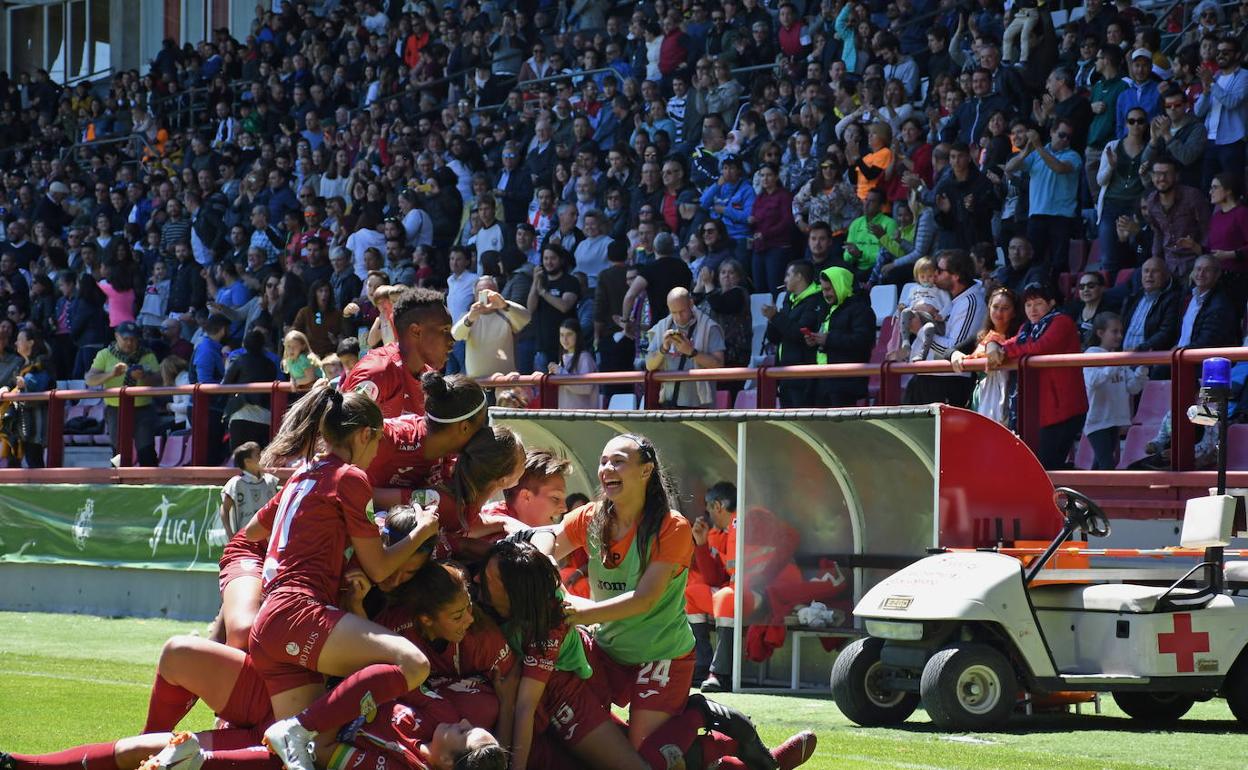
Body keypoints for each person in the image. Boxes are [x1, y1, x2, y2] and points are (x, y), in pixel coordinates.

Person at [241, 381, 441, 770]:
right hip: (300, 612)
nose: (377, 451)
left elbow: (252, 531)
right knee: (414, 665)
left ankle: (193, 758)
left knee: (306, 757)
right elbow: (380, 568)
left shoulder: (302, 474)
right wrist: (422, 531)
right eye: (378, 440)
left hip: (270, 621)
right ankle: (297, 727)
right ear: (365, 434)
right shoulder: (349, 477)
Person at [986, 282, 1088, 469]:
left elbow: (1040, 347)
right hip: (1041, 410)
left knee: (1046, 467)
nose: (1032, 309)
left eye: (1038, 303)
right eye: (1028, 305)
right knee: (1040, 467)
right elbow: (1012, 343)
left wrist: (1003, 351)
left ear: (1051, 303)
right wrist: (992, 345)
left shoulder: (1062, 321)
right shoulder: (1027, 328)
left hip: (1063, 408)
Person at [342, 287, 455, 418]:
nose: (452, 341)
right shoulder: (377, 373)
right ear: (416, 331)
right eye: (445, 330)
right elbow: (344, 428)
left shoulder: (429, 378)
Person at [905, 249, 988, 408]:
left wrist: (920, 331)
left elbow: (955, 349)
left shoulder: (971, 302)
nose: (934, 274)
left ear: (955, 275)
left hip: (948, 381)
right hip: (926, 377)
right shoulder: (949, 298)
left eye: (940, 270)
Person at [84, 322, 161, 467]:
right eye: (125, 339)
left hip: (143, 409)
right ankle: (118, 477)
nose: (129, 343)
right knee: (118, 450)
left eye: (133, 339)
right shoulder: (105, 354)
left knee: (146, 450)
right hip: (115, 409)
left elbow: (159, 380)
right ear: (116, 337)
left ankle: (150, 478)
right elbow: (90, 379)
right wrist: (111, 374)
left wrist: (144, 377)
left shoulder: (147, 355)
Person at [1083, 313, 1148, 470]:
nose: (1119, 336)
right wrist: (1115, 363)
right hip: (1097, 421)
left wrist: (1143, 368)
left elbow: (1133, 387)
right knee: (1107, 466)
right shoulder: (1091, 355)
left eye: (1121, 332)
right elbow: (1093, 381)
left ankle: (1086, 486)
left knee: (1100, 466)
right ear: (1100, 333)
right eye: (1114, 331)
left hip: (1114, 420)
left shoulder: (1119, 358)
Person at [951, 287, 1023, 425]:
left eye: (1005, 308)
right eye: (995, 307)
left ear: (1014, 312)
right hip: (981, 397)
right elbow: (948, 351)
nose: (999, 312)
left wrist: (994, 345)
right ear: (989, 308)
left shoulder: (1019, 336)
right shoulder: (980, 336)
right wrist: (954, 354)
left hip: (1008, 397)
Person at [806, 266, 876, 407]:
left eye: (828, 289)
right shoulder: (828, 309)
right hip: (822, 380)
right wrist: (815, 341)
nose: (825, 294)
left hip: (845, 384)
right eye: (823, 290)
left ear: (840, 285)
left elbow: (863, 341)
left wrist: (828, 339)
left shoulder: (861, 310)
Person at [645, 288, 726, 409]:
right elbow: (649, 365)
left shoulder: (709, 327)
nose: (678, 317)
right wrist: (664, 348)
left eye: (682, 311)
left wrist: (691, 352)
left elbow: (719, 364)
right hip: (668, 405)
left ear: (691, 304)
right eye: (674, 312)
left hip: (701, 407)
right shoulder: (661, 327)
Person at [452, 276, 531, 379]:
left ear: (497, 294)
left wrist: (504, 304)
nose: (486, 297)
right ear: (475, 296)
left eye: (490, 292)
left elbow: (526, 317)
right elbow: (456, 335)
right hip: (477, 382)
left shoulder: (507, 313)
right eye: (481, 293)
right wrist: (470, 319)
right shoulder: (469, 316)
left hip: (505, 381)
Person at [526, 244, 580, 374]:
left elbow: (564, 306)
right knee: (541, 385)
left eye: (553, 258)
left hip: (566, 347)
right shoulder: (541, 281)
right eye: (546, 258)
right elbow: (530, 308)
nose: (549, 262)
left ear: (561, 260)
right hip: (543, 347)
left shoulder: (570, 281)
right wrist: (535, 282)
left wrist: (543, 292)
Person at [551, 319, 598, 409]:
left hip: (583, 414)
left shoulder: (585, 358)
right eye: (562, 335)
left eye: (569, 334)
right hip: (564, 413)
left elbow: (586, 388)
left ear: (578, 335)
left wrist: (560, 372)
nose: (565, 339)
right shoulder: (563, 358)